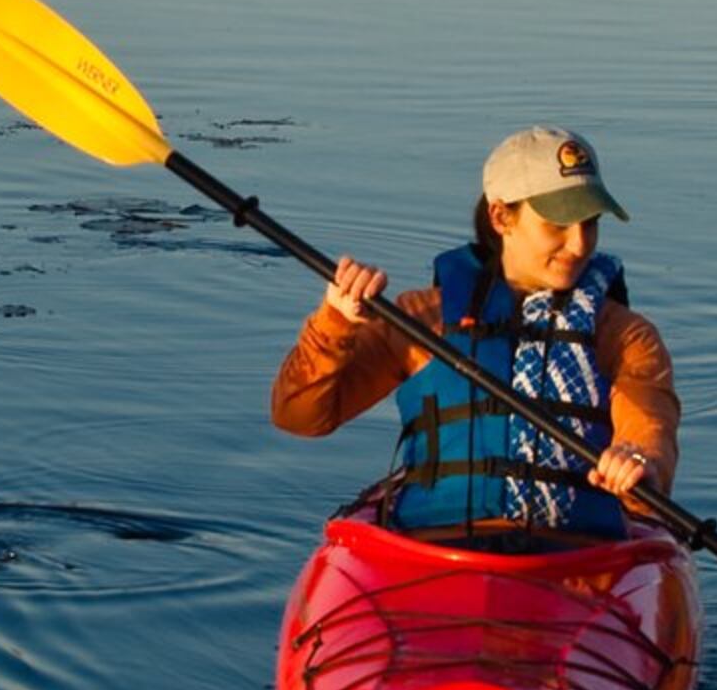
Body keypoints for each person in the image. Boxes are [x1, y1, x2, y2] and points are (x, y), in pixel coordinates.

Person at [271, 126, 679, 542]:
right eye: (558, 224)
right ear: (501, 216)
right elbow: (299, 417)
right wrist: (335, 322)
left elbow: (650, 432)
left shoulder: (625, 336)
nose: (579, 245)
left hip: (580, 562)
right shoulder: (422, 319)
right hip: (430, 552)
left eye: (589, 223)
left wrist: (639, 462)